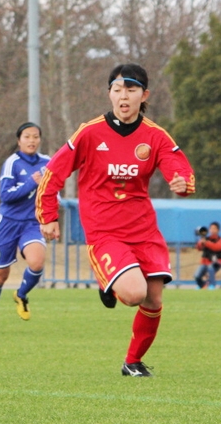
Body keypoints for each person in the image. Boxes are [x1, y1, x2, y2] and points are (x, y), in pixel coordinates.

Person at [36, 63, 195, 377]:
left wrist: (182, 183)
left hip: (143, 229)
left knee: (153, 297)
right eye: (118, 89)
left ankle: (132, 362)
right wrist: (48, 216)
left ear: (144, 95)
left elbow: (179, 167)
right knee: (134, 293)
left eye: (131, 90)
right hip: (104, 230)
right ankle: (107, 283)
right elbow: (54, 172)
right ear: (109, 94)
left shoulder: (154, 135)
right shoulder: (90, 132)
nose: (124, 96)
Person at [0, 122, 50, 333]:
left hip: (32, 223)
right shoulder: (12, 163)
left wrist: (52, 215)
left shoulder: (47, 162)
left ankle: (21, 294)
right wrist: (32, 182)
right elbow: (6, 195)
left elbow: (52, 190)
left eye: (35, 137)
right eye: (27, 137)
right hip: (8, 223)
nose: (32, 141)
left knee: (37, 262)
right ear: (19, 140)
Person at [194, 222, 221, 289]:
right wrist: (201, 242)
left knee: (210, 268)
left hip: (216, 262)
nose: (212, 230)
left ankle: (212, 285)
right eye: (211, 228)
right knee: (197, 275)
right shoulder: (206, 238)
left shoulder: (219, 239)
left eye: (214, 228)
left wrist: (206, 242)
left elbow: (216, 247)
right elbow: (199, 248)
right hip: (204, 263)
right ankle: (202, 285)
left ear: (218, 230)